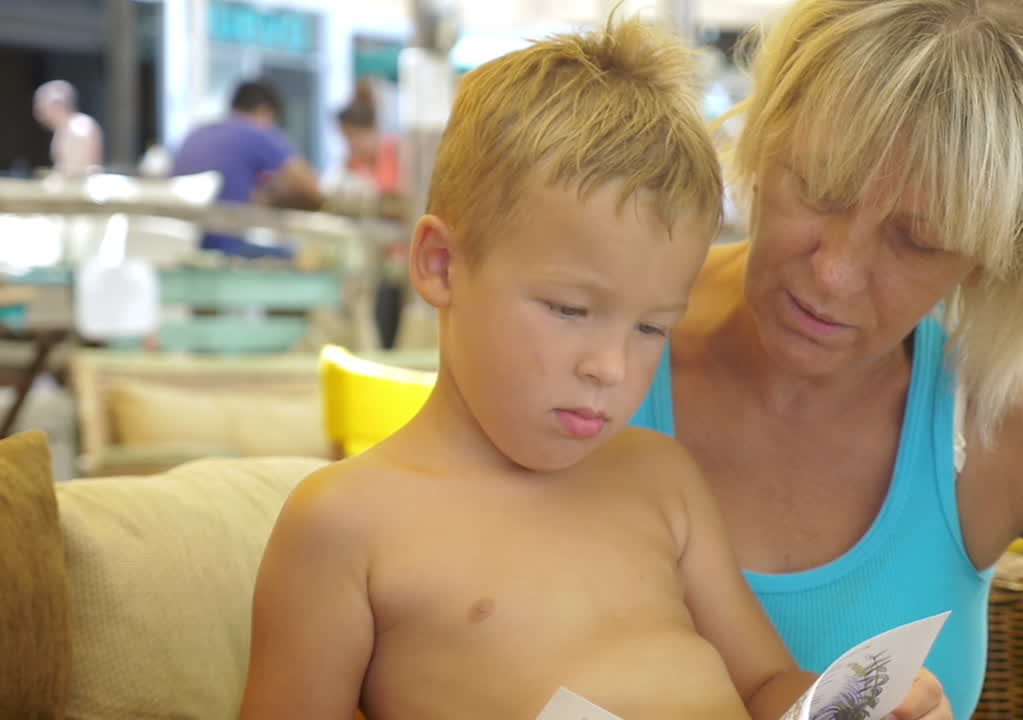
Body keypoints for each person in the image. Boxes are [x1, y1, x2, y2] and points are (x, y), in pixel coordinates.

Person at [626, 1, 1023, 718]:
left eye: (918, 240)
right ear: (764, 132)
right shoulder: (595, 332)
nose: (835, 272)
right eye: (819, 188)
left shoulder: (1007, 395)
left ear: (993, 258)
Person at [239, 19, 819, 720]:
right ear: (441, 265)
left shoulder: (664, 479)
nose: (610, 367)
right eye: (569, 309)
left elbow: (765, 684)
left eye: (651, 328)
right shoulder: (345, 523)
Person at [171, 80, 324, 257]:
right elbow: (311, 190)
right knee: (304, 255)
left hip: (183, 247)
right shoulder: (256, 131)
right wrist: (272, 197)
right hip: (226, 249)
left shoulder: (196, 133)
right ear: (266, 111)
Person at [33, 80, 102, 177]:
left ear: (56, 104)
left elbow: (75, 172)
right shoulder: (63, 129)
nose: (37, 111)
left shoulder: (79, 128)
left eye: (42, 105)